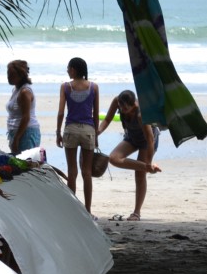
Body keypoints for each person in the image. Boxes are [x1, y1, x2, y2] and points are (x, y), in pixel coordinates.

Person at [98, 89, 162, 221]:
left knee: (139, 175)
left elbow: (150, 140)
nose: (122, 109)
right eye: (120, 106)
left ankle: (136, 213)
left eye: (125, 107)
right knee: (113, 158)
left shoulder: (140, 115)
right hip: (131, 137)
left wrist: (148, 161)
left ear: (134, 105)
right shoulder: (117, 101)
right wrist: (97, 132)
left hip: (147, 141)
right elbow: (107, 119)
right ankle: (148, 168)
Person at [56, 57, 99, 215]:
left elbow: (61, 112)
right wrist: (97, 135)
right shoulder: (94, 87)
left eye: (68, 68)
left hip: (71, 130)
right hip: (88, 130)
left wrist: (57, 132)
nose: (67, 70)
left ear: (73, 69)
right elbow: (95, 114)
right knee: (87, 172)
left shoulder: (66, 87)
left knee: (72, 172)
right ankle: (87, 210)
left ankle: (72, 211)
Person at [5, 59, 40, 154]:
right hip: (17, 132)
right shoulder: (16, 90)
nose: (8, 77)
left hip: (26, 133)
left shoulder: (25, 92)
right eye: (8, 74)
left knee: (26, 164)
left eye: (12, 75)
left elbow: (26, 117)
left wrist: (17, 138)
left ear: (21, 75)